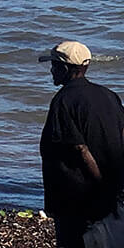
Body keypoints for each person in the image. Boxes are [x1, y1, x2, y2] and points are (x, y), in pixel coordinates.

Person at [39, 40, 124, 247]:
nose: (52, 70)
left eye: (54, 65)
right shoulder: (109, 96)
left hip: (77, 198)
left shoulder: (63, 101)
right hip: (111, 193)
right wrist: (116, 188)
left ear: (65, 68)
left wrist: (102, 186)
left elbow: (80, 150)